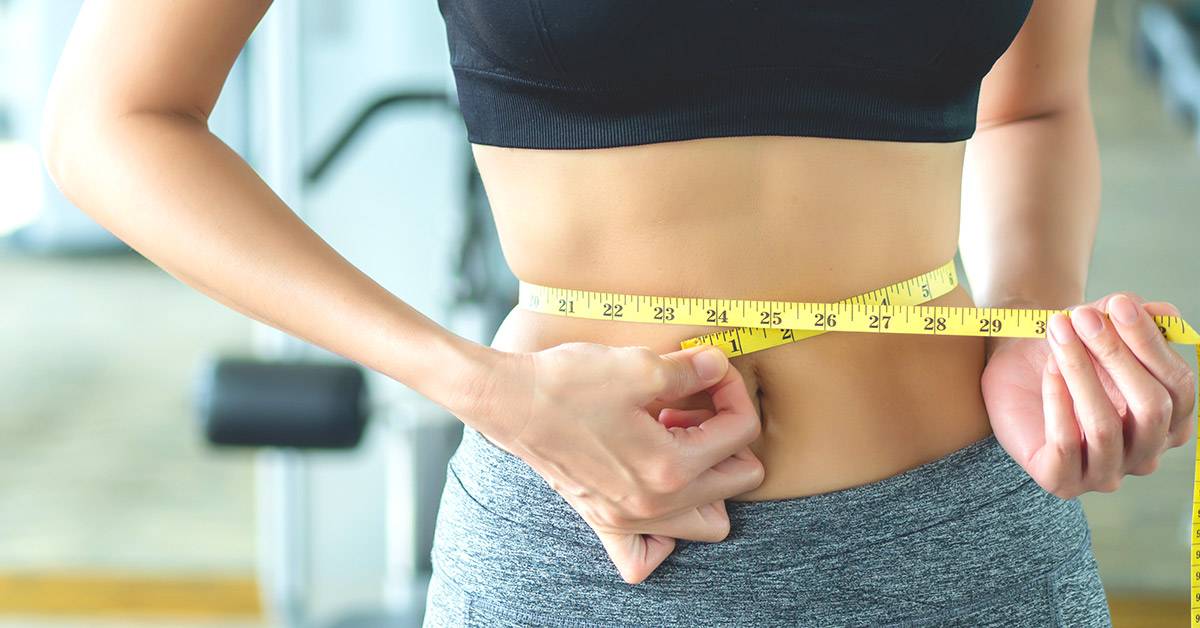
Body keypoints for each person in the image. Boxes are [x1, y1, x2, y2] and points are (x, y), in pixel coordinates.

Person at [41, 1, 1197, 626]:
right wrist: (476, 387)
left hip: (969, 544)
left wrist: (1028, 330)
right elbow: (113, 119)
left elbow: (1032, 108)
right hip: (593, 554)